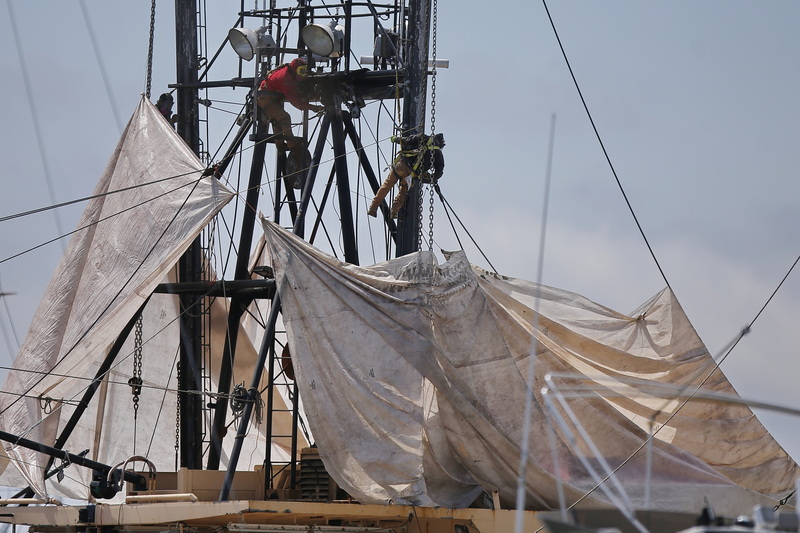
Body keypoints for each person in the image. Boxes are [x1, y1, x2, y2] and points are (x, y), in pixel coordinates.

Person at [368, 132, 445, 218]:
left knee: (386, 186)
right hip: (411, 174)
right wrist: (430, 178)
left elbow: (406, 140)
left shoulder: (423, 137)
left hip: (401, 165)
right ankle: (394, 212)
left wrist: (395, 139)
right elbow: (439, 172)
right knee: (403, 192)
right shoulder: (438, 155)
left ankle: (373, 208)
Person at [256, 57, 322, 151]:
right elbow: (297, 103)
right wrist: (313, 107)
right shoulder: (287, 79)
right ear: (295, 70)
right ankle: (293, 146)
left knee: (278, 120)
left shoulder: (290, 72)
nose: (303, 73)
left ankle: (280, 147)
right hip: (265, 97)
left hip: (273, 96)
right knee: (284, 118)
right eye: (301, 71)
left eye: (304, 70)